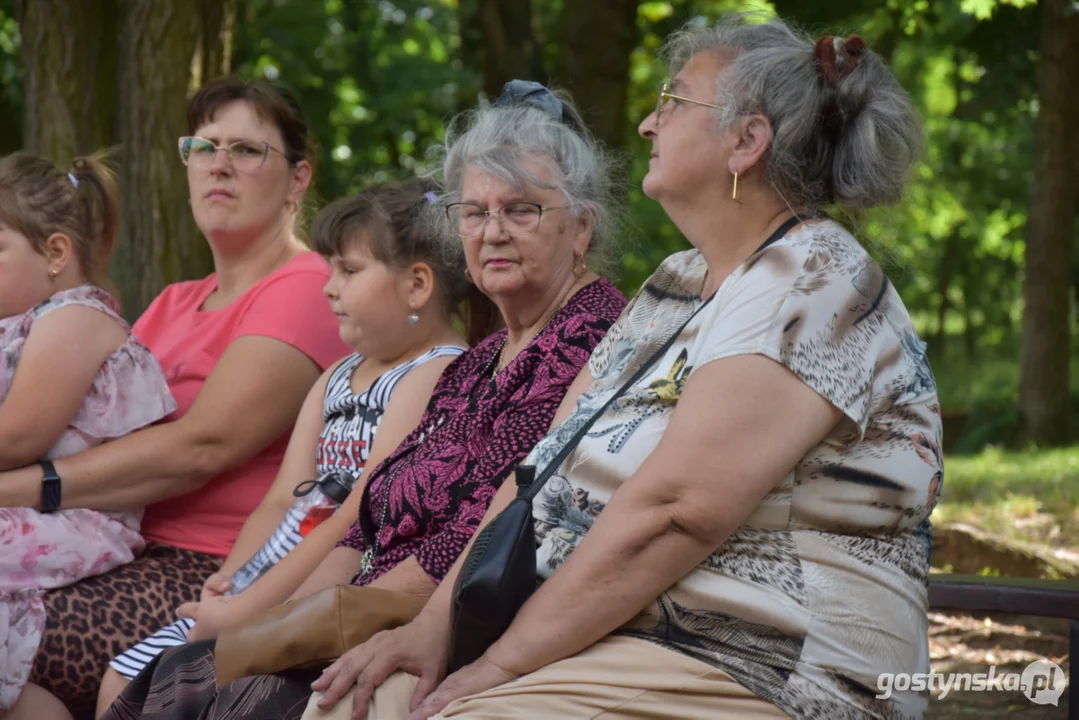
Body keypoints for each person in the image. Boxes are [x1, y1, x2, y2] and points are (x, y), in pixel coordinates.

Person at [304, 16, 941, 720]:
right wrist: (432, 632)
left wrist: (497, 664)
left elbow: (674, 513)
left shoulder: (813, 279)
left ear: (746, 141)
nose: (645, 124)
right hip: (636, 635)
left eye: (672, 102)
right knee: (359, 701)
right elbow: (539, 470)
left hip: (774, 661)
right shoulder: (675, 284)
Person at [99, 80, 629, 720]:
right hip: (364, 609)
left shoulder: (589, 335)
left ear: (581, 227)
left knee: (221, 696)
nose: (491, 231)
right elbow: (364, 519)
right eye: (473, 211)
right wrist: (285, 628)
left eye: (521, 211)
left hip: (448, 624)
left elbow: (495, 526)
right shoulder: (478, 364)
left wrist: (315, 627)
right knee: (171, 682)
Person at [1, 78, 351, 719]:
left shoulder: (306, 286)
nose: (219, 163)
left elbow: (203, 446)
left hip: (216, 567)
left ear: (298, 179)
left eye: (248, 150)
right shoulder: (171, 302)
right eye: (204, 146)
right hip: (121, 548)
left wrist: (26, 486)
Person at [95, 178, 469, 712]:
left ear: (416, 286)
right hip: (268, 577)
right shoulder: (340, 374)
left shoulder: (435, 372)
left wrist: (257, 613)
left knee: (183, 685)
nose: (329, 288)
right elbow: (282, 501)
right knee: (123, 677)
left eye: (349, 270)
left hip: (327, 588)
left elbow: (357, 513)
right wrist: (231, 582)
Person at [0, 152, 175, 715]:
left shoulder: (73, 318)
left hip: (75, 518)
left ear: (55, 252)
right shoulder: (24, 322)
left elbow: (16, 438)